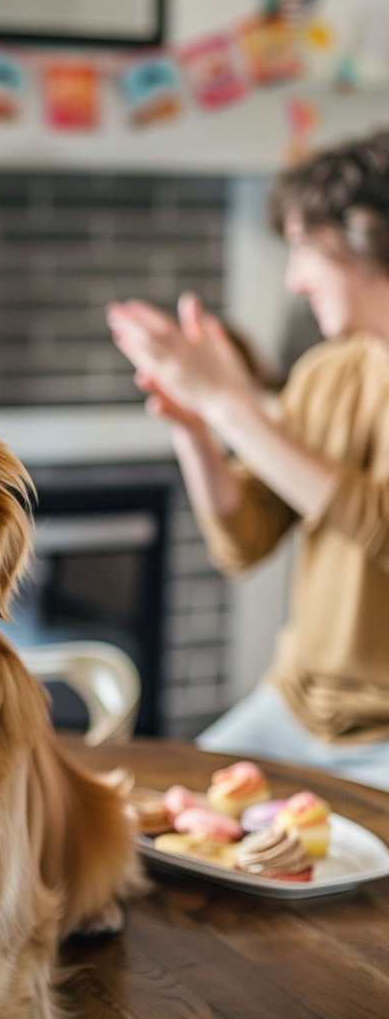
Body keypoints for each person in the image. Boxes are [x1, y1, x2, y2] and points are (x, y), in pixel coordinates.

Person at [106, 130, 389, 791]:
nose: (294, 279)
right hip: (294, 708)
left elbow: (379, 524)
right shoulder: (328, 373)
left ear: (368, 236)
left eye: (303, 248)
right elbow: (244, 540)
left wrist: (231, 404)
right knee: (150, 832)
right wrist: (198, 427)